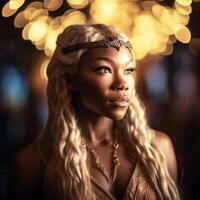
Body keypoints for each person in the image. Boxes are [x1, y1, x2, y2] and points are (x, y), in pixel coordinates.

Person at [7, 24, 180, 200]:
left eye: (128, 70)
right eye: (104, 69)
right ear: (71, 80)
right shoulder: (31, 164)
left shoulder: (158, 148)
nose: (122, 83)